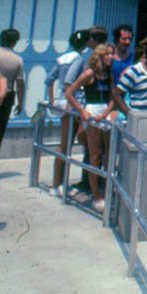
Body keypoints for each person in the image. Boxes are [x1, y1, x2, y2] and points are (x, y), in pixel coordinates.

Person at [64, 43, 116, 211]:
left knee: (109, 156)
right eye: (108, 54)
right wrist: (82, 111)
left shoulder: (109, 74)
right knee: (95, 155)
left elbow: (114, 95)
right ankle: (96, 195)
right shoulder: (89, 74)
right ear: (101, 56)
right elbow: (69, 93)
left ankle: (107, 190)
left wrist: (107, 111)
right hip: (92, 111)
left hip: (105, 113)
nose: (112, 57)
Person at [46, 29, 89, 195]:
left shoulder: (61, 58)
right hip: (75, 103)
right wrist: (72, 101)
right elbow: (69, 83)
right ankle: (59, 184)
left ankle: (58, 183)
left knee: (65, 144)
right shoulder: (78, 59)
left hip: (63, 103)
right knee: (67, 145)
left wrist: (52, 101)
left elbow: (49, 80)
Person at [0, 29, 26, 180]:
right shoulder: (17, 60)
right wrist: (21, 101)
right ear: (14, 42)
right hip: (6, 98)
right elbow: (20, 83)